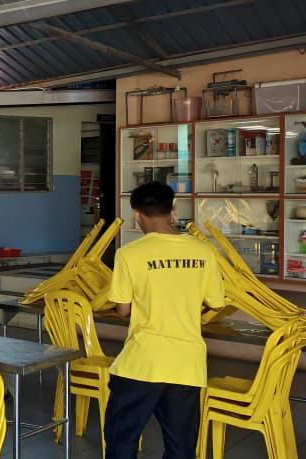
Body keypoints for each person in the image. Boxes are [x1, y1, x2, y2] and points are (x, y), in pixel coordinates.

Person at [103, 182, 224, 459]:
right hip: (187, 365)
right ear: (173, 211)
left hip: (142, 363)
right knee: (181, 447)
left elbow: (123, 310)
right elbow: (216, 302)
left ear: (137, 214)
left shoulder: (128, 254)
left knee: (122, 440)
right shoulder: (203, 251)